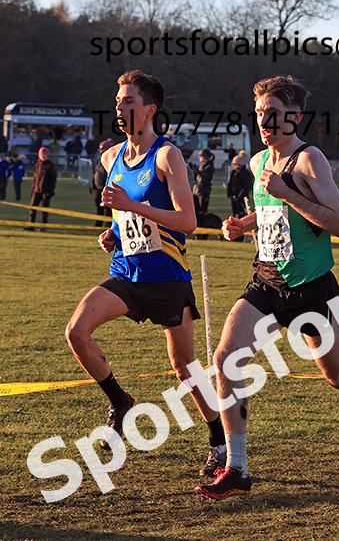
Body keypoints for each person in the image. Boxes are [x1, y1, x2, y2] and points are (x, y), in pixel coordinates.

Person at [195, 75, 339, 500]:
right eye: (259, 112)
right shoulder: (258, 163)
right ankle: (237, 467)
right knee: (225, 358)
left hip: (312, 289)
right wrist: (244, 223)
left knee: (338, 375)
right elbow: (271, 210)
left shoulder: (310, 160)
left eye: (272, 113)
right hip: (266, 281)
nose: (264, 120)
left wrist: (288, 193)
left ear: (294, 117)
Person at [64, 70, 228, 478]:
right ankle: (121, 403)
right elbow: (124, 216)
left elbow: (187, 221)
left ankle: (219, 440)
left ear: (149, 109)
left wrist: (131, 209)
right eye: (118, 100)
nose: (120, 107)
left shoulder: (166, 155)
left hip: (167, 278)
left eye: (129, 101)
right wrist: (114, 234)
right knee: (76, 332)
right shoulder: (111, 157)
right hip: (127, 272)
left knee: (185, 367)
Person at [28, 147, 58, 230]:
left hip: (46, 191)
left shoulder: (50, 165)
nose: (43, 156)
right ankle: (31, 224)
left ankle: (44, 226)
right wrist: (33, 188)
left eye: (44, 154)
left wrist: (51, 190)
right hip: (36, 190)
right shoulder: (37, 164)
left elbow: (53, 179)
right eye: (41, 154)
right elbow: (35, 178)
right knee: (33, 207)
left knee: (44, 209)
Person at [90, 139, 115, 226]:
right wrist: (92, 185)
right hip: (97, 188)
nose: (100, 150)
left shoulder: (111, 161)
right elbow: (95, 172)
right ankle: (98, 222)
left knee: (108, 208)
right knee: (98, 207)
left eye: (102, 148)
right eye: (100, 148)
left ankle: (109, 223)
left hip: (107, 189)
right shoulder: (99, 159)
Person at [226, 154, 253, 219]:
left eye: (236, 164)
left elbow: (247, 186)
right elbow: (230, 183)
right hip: (234, 195)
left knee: (243, 211)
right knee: (235, 210)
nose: (234, 166)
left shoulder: (246, 173)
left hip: (242, 197)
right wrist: (229, 193)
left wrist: (239, 196)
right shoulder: (233, 173)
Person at [190, 149, 214, 214]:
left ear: (204, 156)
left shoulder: (209, 166)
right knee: (196, 210)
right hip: (197, 190)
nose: (199, 157)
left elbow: (206, 178)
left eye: (200, 155)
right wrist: (194, 171)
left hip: (203, 191)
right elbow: (197, 179)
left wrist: (197, 171)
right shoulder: (202, 165)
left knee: (202, 211)